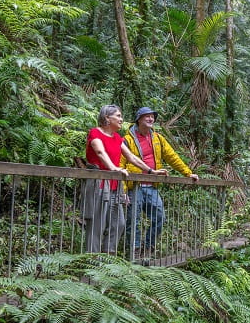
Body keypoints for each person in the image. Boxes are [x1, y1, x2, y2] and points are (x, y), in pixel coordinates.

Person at [122, 107, 199, 258]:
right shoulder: (127, 140)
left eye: (152, 117)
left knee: (159, 217)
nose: (150, 119)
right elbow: (121, 164)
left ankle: (147, 248)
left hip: (152, 186)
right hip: (134, 186)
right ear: (139, 119)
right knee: (133, 220)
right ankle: (134, 253)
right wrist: (123, 191)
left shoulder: (158, 139)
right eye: (147, 117)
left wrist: (188, 173)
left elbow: (172, 157)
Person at [82, 105, 160, 254]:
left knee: (119, 223)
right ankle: (92, 262)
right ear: (107, 118)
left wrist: (151, 171)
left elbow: (131, 157)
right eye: (118, 116)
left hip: (114, 187)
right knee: (97, 225)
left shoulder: (117, 138)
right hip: (98, 184)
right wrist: (114, 168)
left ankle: (107, 258)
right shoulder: (95, 133)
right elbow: (99, 151)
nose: (121, 119)